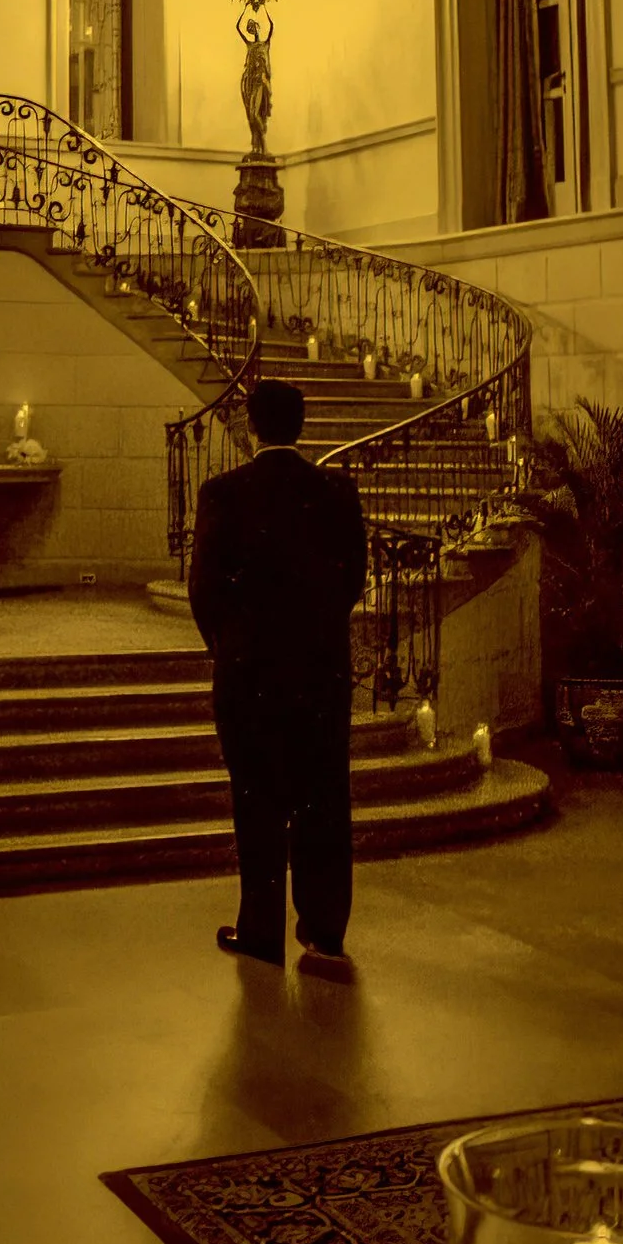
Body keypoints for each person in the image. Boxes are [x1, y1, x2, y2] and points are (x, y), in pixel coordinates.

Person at [185, 376, 368, 974]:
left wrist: (229, 645)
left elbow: (204, 587)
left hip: (249, 673)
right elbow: (353, 579)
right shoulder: (336, 492)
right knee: (323, 797)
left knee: (256, 799)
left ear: (252, 426)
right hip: (320, 672)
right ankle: (324, 931)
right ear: (301, 423)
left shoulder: (223, 493)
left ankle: (259, 929)